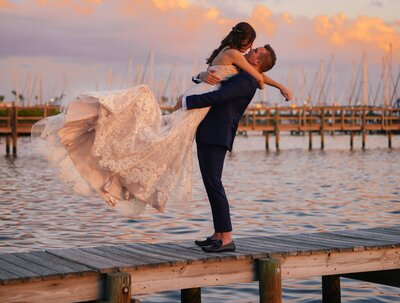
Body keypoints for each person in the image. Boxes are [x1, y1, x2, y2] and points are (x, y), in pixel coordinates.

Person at [32, 22, 290, 220]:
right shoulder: (236, 55)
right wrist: (278, 85)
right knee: (158, 144)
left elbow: (246, 75)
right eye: (252, 44)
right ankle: (122, 181)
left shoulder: (235, 57)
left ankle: (123, 182)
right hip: (193, 106)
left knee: (159, 144)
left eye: (255, 49)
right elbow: (255, 76)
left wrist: (275, 85)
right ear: (244, 42)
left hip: (195, 105)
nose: (251, 49)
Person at [174, 41, 283, 253]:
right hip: (210, 132)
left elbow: (218, 96)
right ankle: (218, 234)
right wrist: (201, 76)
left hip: (217, 134)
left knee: (214, 183)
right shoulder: (241, 74)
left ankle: (226, 238)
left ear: (258, 61)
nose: (251, 50)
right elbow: (214, 81)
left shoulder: (246, 80)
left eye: (255, 51)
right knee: (210, 182)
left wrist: (185, 101)